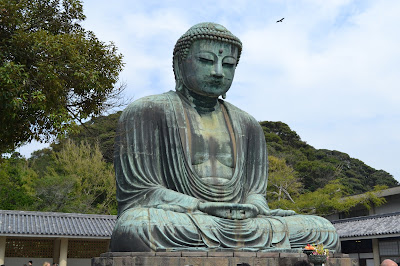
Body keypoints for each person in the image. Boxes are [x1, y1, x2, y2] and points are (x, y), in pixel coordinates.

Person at [110, 22, 340, 252]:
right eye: (206, 61)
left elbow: (255, 193)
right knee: (136, 227)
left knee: (324, 230)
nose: (218, 72)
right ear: (179, 65)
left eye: (228, 64)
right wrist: (200, 206)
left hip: (243, 223)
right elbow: (142, 193)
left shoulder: (248, 124)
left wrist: (253, 207)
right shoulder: (146, 111)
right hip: (183, 218)